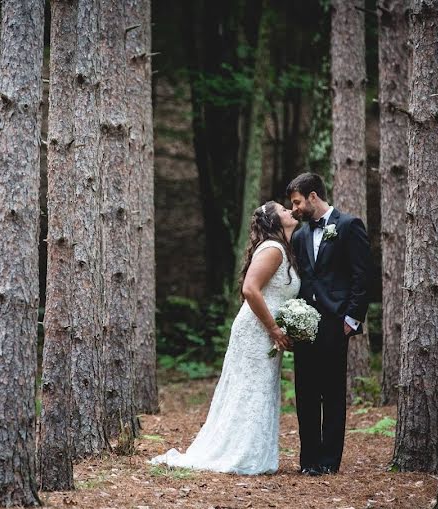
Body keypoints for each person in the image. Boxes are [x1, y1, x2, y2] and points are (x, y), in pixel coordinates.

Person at [150, 201, 300, 474]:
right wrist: (274, 329)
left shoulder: (285, 251)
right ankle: (238, 452)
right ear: (275, 221)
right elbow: (250, 290)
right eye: (283, 209)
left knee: (261, 388)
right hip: (257, 330)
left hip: (267, 331)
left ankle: (255, 452)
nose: (290, 211)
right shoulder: (274, 249)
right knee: (249, 388)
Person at [287, 172, 372, 476]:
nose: (294, 209)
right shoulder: (298, 235)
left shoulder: (349, 226)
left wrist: (351, 319)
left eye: (297, 202)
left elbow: (363, 276)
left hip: (336, 322)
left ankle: (328, 462)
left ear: (312, 196)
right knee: (305, 392)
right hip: (304, 325)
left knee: (333, 393)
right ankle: (308, 460)